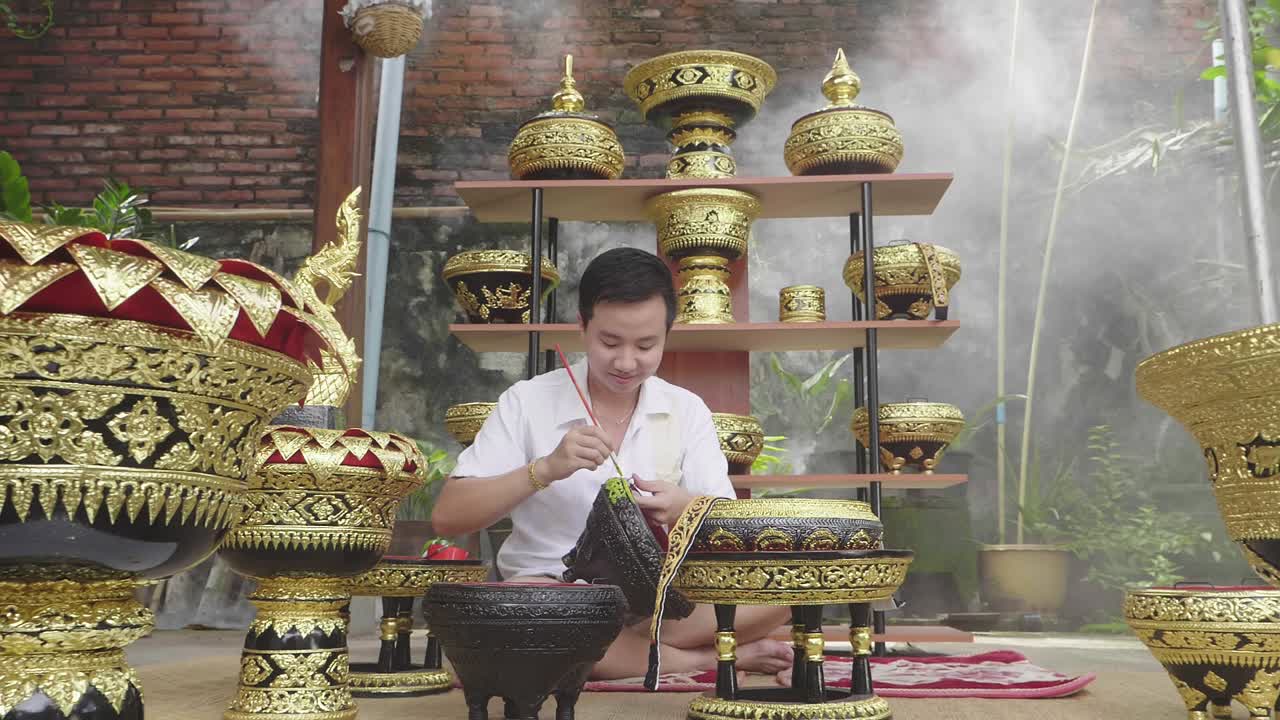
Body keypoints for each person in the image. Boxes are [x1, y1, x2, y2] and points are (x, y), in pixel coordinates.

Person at [432, 247, 793, 680]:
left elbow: (733, 529)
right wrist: (545, 469)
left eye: (646, 345)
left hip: (659, 599)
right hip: (554, 597)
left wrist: (685, 506)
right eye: (609, 342)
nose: (626, 362)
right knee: (538, 622)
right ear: (582, 326)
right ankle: (712, 659)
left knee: (785, 590)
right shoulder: (527, 402)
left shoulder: (686, 409)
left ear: (667, 333)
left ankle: (612, 653)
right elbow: (448, 517)